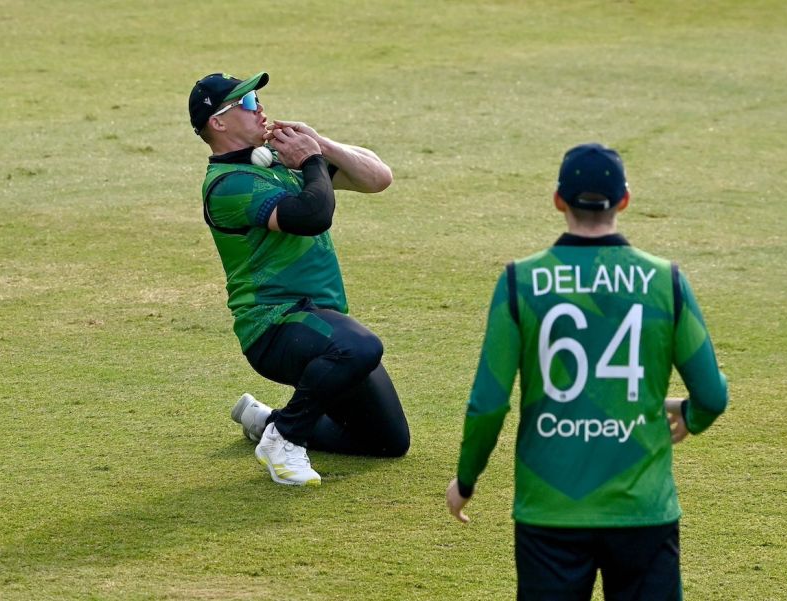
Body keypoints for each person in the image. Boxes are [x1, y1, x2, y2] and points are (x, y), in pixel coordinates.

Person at [445, 143, 728, 600]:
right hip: (642, 508)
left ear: (559, 200)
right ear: (625, 200)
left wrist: (467, 479)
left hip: (550, 506)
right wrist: (688, 414)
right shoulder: (665, 280)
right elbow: (712, 395)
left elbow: (489, 402)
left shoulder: (521, 281)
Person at [187, 71, 410, 487]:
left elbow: (379, 178)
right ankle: (283, 438)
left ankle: (269, 420)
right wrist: (309, 162)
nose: (260, 107)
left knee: (387, 442)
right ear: (218, 122)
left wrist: (320, 146)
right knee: (361, 347)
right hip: (275, 327)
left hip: (321, 320)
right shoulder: (228, 185)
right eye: (248, 102)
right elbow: (311, 216)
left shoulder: (279, 160)